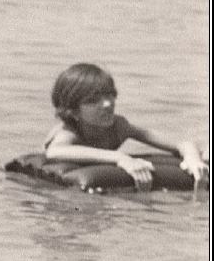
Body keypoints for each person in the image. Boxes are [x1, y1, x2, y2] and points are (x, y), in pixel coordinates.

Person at [44, 62, 209, 190]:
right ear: (73, 112)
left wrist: (192, 158)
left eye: (110, 95)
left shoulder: (119, 127)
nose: (108, 104)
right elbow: (54, 151)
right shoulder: (69, 131)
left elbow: (181, 143)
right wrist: (120, 158)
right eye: (93, 100)